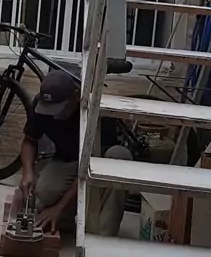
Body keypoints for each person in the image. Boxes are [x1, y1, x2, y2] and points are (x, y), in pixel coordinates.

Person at [19, 70, 133, 235]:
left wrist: (59, 207)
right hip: (69, 160)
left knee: (120, 156)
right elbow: (29, 140)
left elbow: (87, 170)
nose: (54, 116)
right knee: (43, 194)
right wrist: (27, 172)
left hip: (98, 164)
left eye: (59, 109)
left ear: (76, 96)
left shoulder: (96, 112)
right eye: (49, 109)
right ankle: (65, 220)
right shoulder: (41, 106)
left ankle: (102, 235)